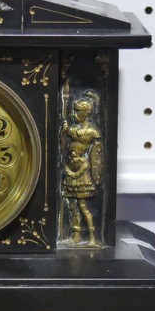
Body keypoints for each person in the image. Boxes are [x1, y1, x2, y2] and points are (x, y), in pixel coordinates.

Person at [61, 92, 102, 246]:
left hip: (81, 172)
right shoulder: (73, 129)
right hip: (70, 170)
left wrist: (78, 170)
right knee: (72, 205)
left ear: (86, 113)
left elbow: (95, 154)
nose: (75, 114)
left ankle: (92, 237)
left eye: (78, 111)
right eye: (74, 110)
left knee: (82, 205)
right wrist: (64, 132)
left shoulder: (91, 132)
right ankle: (76, 235)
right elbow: (63, 145)